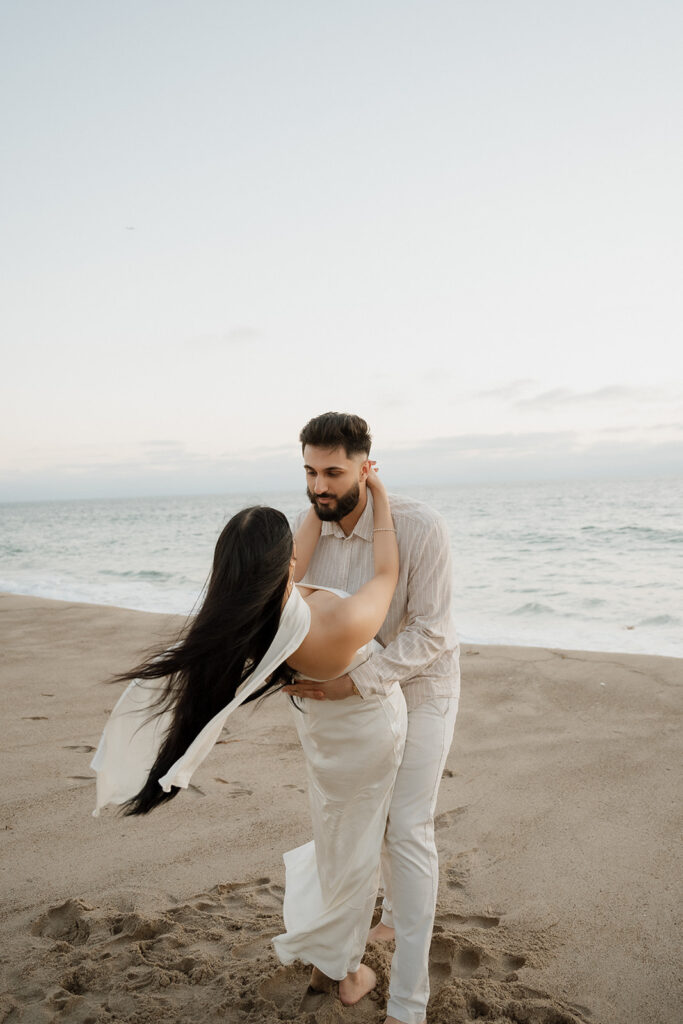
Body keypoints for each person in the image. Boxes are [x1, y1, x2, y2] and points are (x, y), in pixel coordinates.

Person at [90, 467, 406, 1007]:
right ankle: (343, 974)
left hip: (325, 739)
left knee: (339, 839)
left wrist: (321, 495)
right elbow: (386, 575)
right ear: (285, 565)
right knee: (353, 852)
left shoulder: (254, 615)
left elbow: (298, 548)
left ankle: (326, 961)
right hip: (365, 736)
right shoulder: (332, 625)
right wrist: (375, 492)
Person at [281, 412, 460, 1024]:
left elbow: (433, 630)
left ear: (366, 467)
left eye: (333, 472)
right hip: (343, 705)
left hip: (420, 683)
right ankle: (359, 935)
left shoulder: (418, 526)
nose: (318, 486)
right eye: (309, 472)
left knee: (406, 829)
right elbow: (282, 611)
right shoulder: (309, 532)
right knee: (357, 825)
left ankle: (409, 1002)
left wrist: (354, 683)